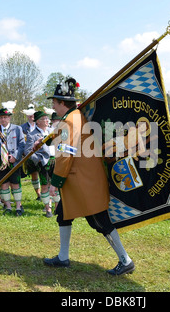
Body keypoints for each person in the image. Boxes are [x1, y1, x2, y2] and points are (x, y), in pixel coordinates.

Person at [40, 78, 135, 276]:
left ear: (62, 103)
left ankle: (125, 260)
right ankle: (63, 257)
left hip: (82, 181)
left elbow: (66, 154)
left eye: (54, 102)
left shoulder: (69, 120)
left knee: (99, 221)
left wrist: (55, 183)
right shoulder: (75, 116)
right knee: (63, 215)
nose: (52, 106)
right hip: (80, 179)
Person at [0, 105, 25, 216]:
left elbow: (22, 145)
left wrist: (15, 156)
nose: (3, 119)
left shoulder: (17, 129)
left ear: (9, 118)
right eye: (1, 117)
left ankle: (18, 207)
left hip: (13, 161)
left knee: (15, 184)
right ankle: (8, 207)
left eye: (5, 117)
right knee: (3, 185)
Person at [24, 111, 57, 217]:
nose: (47, 121)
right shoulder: (32, 134)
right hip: (44, 162)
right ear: (38, 121)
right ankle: (48, 209)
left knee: (56, 185)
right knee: (44, 185)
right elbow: (28, 151)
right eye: (44, 119)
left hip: (56, 160)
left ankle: (58, 208)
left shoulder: (52, 131)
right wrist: (38, 160)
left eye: (47, 119)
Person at [21, 105, 41, 200]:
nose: (31, 116)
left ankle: (47, 194)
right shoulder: (22, 127)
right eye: (29, 114)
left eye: (33, 114)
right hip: (29, 153)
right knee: (34, 174)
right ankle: (38, 194)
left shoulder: (40, 125)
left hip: (41, 153)